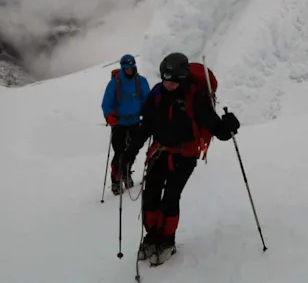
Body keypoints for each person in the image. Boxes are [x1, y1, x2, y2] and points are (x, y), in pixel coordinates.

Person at [132, 52, 240, 265]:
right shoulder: (158, 93)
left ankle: (166, 241)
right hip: (160, 151)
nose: (168, 84)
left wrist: (229, 126)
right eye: (165, 79)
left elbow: (218, 130)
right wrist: (130, 152)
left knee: (170, 197)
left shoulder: (195, 98)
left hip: (185, 155)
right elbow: (147, 126)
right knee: (151, 194)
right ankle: (151, 237)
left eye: (172, 81)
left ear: (182, 78)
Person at [101, 54, 151, 195]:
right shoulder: (115, 83)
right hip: (119, 123)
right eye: (126, 68)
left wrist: (150, 114)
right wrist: (110, 117)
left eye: (131, 67)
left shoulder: (141, 82)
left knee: (132, 150)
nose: (129, 70)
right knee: (119, 152)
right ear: (122, 68)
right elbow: (107, 103)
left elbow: (148, 100)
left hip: (135, 121)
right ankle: (116, 180)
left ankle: (126, 173)